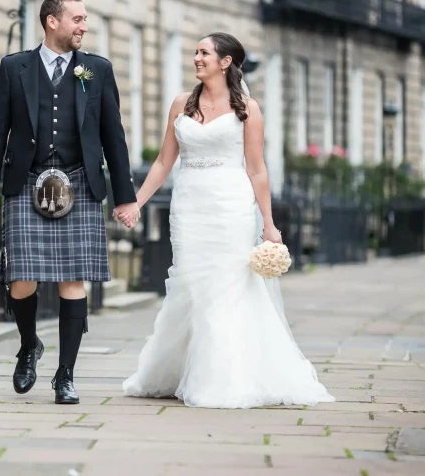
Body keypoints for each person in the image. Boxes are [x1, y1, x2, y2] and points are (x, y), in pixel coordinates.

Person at [115, 33, 335, 409]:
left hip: (231, 206)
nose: (196, 58)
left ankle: (224, 378)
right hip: (189, 206)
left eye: (204, 52)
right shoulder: (181, 104)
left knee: (226, 286)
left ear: (225, 61)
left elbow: (257, 170)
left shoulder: (247, 108)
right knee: (190, 283)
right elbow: (165, 161)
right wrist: (136, 202)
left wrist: (268, 223)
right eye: (196, 52)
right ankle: (176, 370)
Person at [0, 0, 139, 404]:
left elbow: (113, 138)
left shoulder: (96, 70)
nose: (84, 26)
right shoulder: (16, 67)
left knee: (73, 279)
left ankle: (65, 375)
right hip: (27, 182)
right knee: (21, 279)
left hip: (80, 182)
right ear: (52, 21)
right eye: (78, 19)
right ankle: (29, 344)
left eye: (85, 20)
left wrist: (125, 196)